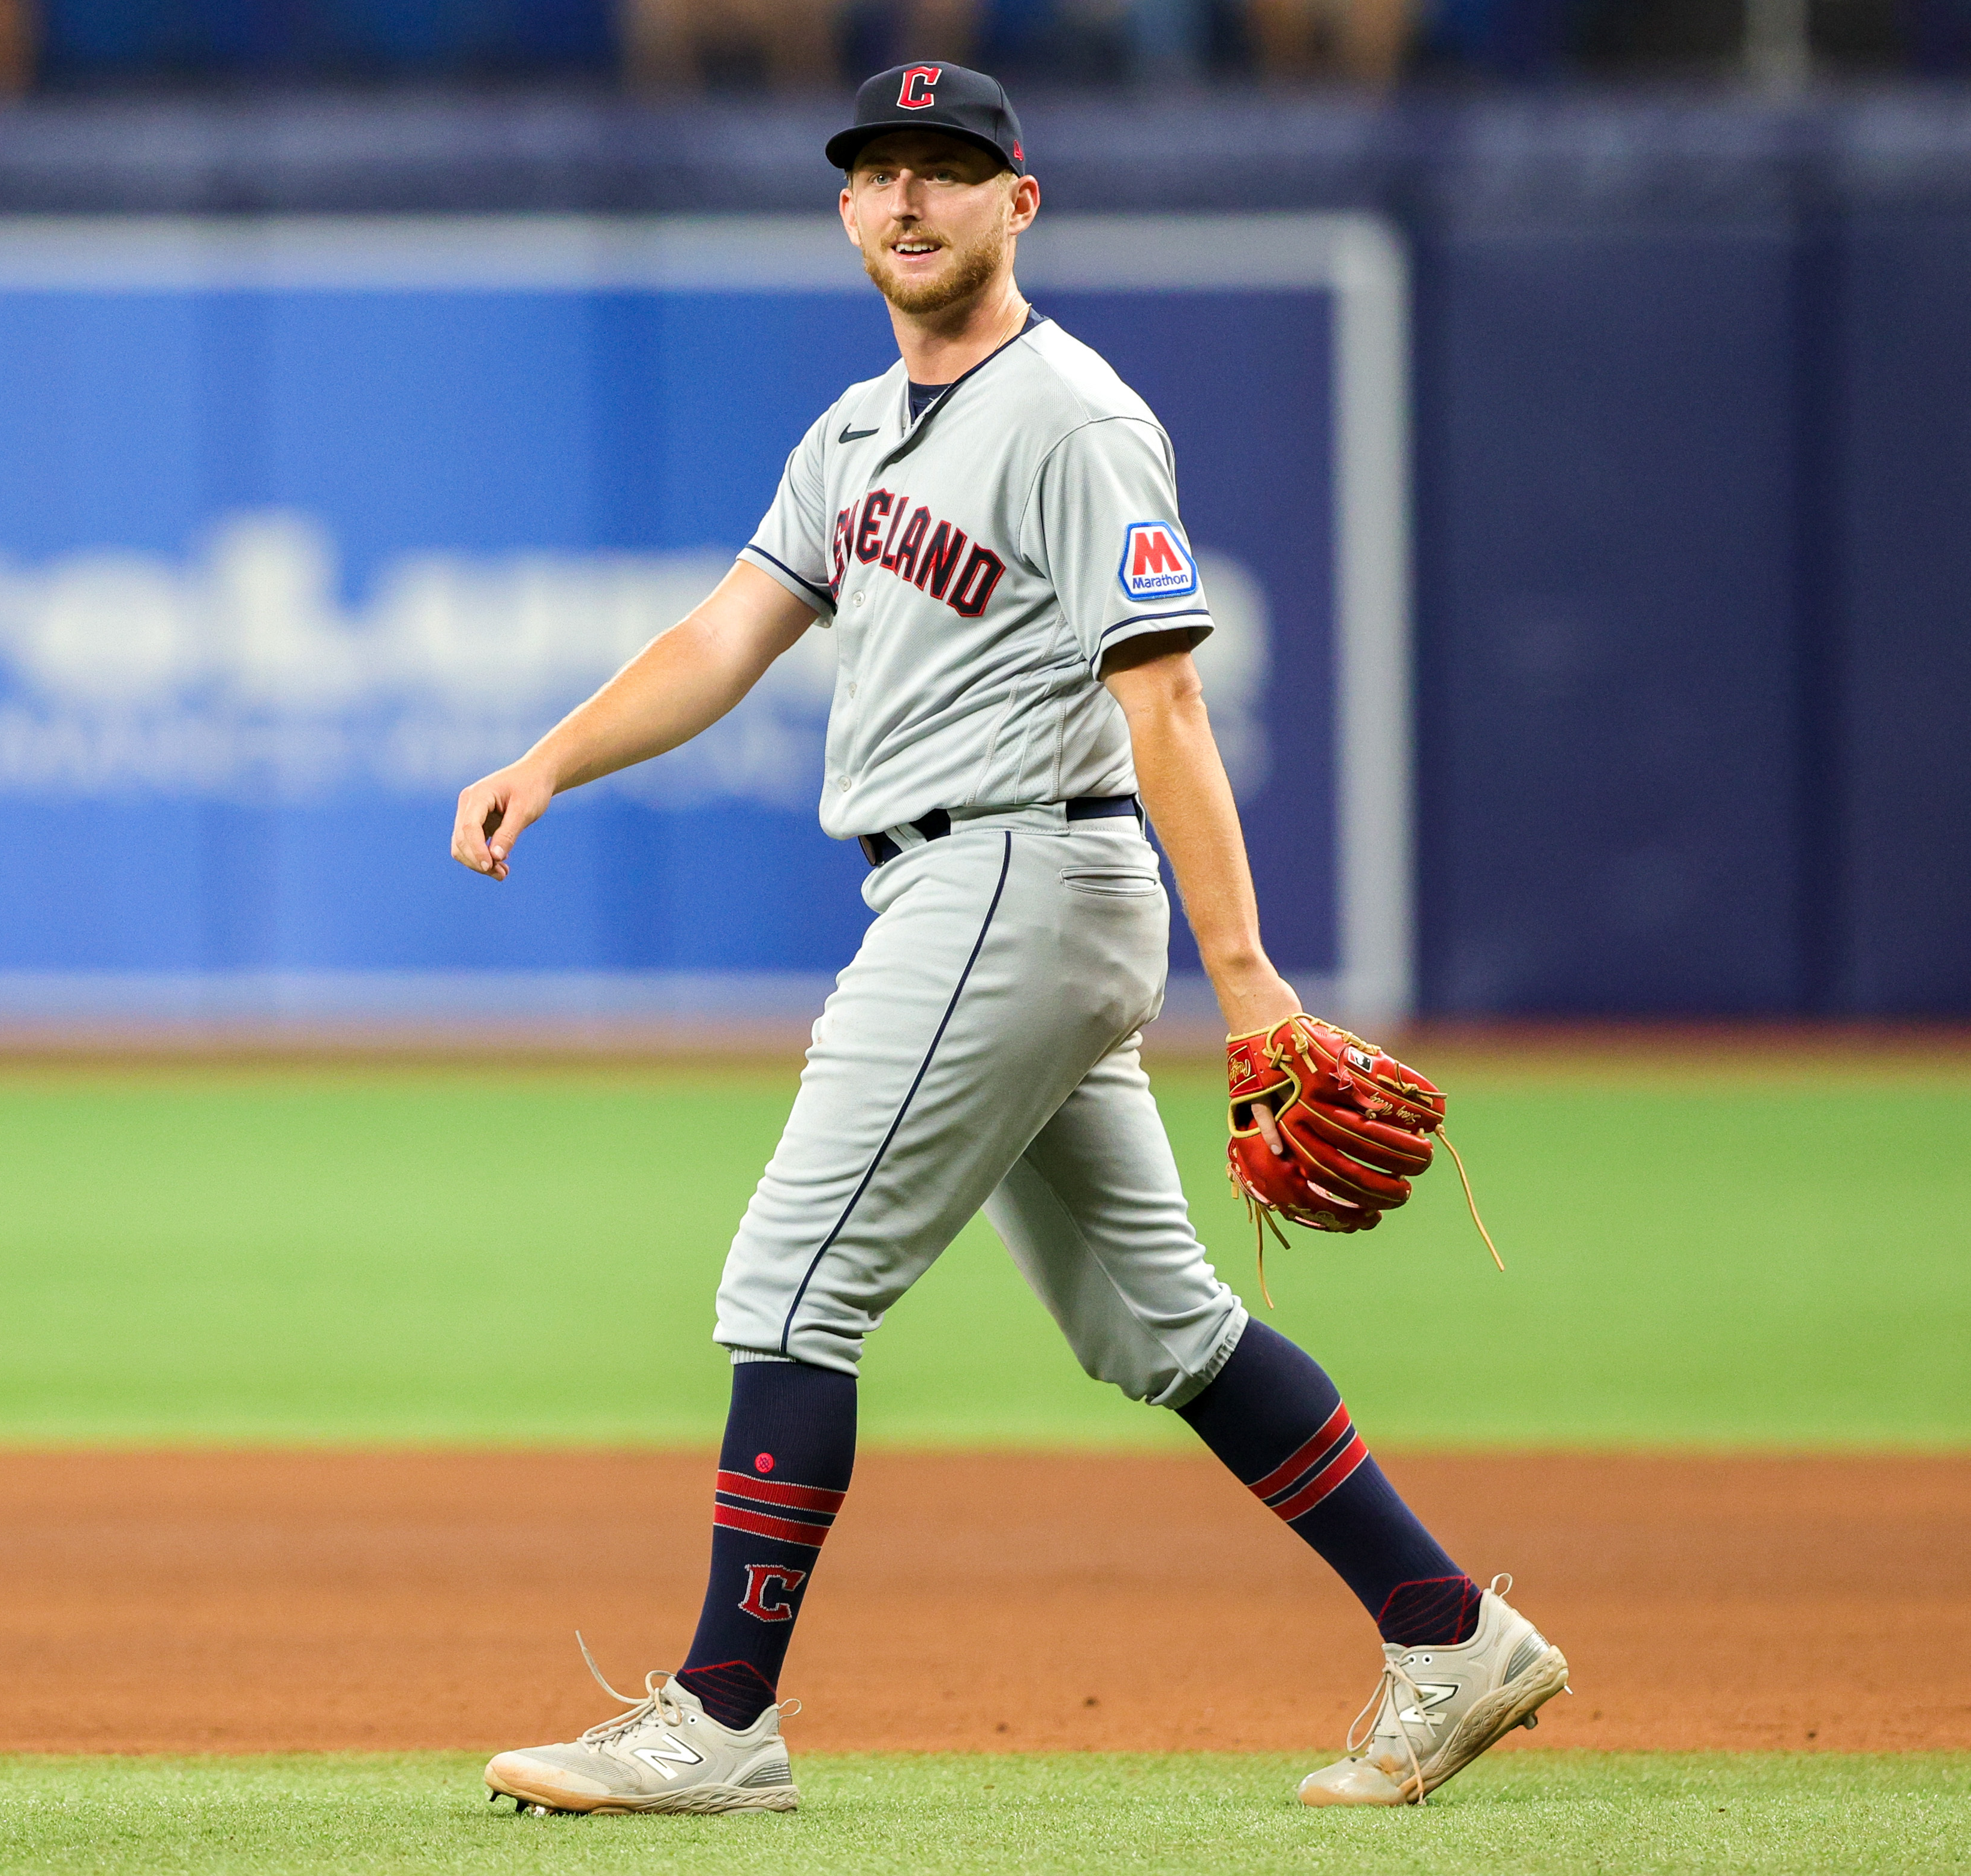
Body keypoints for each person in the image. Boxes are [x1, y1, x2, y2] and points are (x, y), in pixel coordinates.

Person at [451, 63, 1567, 1816]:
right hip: (966, 893)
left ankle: (722, 1723)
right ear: (842, 211)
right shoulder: (852, 431)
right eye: (878, 175)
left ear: (1016, 205)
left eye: (948, 173)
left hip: (1013, 881)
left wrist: (1253, 977)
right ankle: (1447, 1632)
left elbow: (1167, 699)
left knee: (788, 1288)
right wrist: (549, 759)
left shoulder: (1073, 418)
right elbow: (726, 631)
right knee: (1162, 1330)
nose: (908, 202)